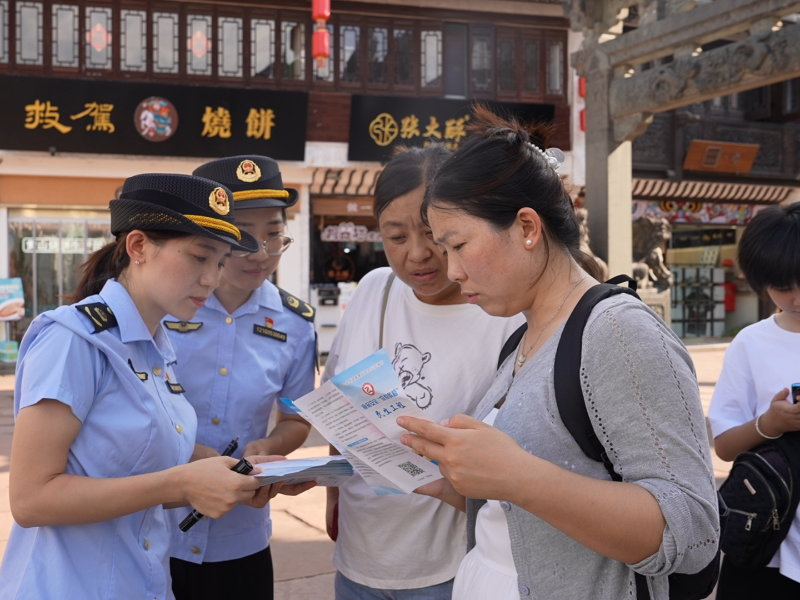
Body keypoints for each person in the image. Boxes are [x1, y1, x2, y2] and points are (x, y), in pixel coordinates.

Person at [396, 107, 719, 599]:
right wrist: (462, 480)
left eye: (458, 244)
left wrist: (519, 477)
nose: (452, 270)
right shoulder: (522, 337)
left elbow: (693, 529)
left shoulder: (619, 333)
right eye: (445, 250)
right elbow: (527, 507)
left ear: (527, 227)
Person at [0, 173, 295, 599]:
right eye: (199, 257)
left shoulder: (156, 348)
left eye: (219, 261)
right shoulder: (74, 339)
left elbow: (132, 477)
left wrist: (227, 482)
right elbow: (30, 500)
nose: (212, 278)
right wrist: (180, 484)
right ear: (138, 247)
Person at [322, 145, 525, 600]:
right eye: (395, 237)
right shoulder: (375, 289)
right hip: (360, 558)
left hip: (449, 568)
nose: (417, 255)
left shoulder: (504, 315)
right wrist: (327, 483)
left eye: (433, 234)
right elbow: (337, 405)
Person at [164, 156, 317, 600]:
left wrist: (270, 448)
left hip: (242, 539)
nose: (262, 252)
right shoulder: (164, 310)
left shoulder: (294, 324)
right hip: (155, 528)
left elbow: (295, 418)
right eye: (243, 234)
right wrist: (185, 452)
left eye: (273, 233)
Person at [708, 202, 800, 598]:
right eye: (783, 286)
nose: (796, 297)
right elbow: (724, 446)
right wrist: (770, 424)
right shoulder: (752, 343)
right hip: (771, 545)